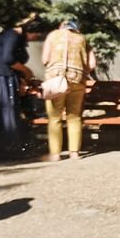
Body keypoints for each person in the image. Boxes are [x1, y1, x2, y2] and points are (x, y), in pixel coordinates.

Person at [0, 18, 35, 159]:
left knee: (0, 113)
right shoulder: (13, 35)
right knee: (7, 111)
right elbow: (8, 59)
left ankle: (3, 149)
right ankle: (11, 149)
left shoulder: (7, 35)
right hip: (1, 79)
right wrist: (26, 70)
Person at [40, 20, 97, 160]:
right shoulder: (82, 39)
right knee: (74, 117)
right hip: (77, 81)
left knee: (55, 118)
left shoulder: (53, 35)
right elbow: (92, 63)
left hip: (56, 80)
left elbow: (44, 59)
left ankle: (55, 154)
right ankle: (74, 153)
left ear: (61, 27)